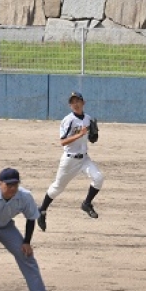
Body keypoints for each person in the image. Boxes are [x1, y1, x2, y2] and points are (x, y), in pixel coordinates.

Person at [37, 91, 104, 231]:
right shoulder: (68, 120)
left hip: (84, 159)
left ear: (83, 102)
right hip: (69, 160)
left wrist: (94, 136)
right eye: (72, 102)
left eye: (77, 101)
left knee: (98, 178)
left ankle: (86, 204)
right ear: (70, 105)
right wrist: (79, 134)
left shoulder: (88, 119)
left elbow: (91, 139)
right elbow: (63, 141)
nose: (75, 104)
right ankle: (42, 210)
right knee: (57, 188)